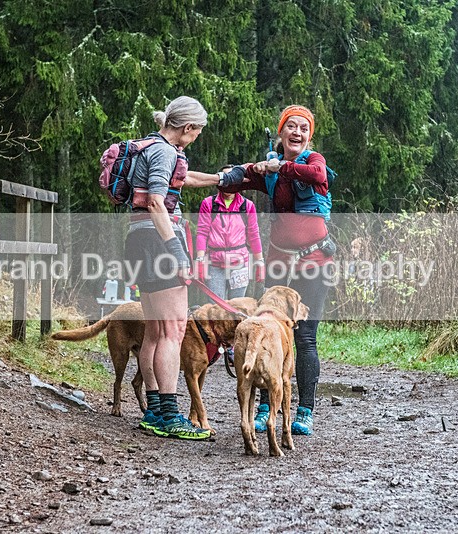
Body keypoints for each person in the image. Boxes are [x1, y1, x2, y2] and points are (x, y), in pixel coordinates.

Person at [188, 104, 334, 436]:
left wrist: (279, 166)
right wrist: (230, 172)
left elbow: (317, 177)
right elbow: (234, 180)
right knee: (267, 331)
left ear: (308, 136)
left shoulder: (313, 161)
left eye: (303, 129)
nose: (297, 133)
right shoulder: (267, 169)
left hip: (315, 262)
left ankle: (305, 411)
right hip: (280, 261)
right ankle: (267, 406)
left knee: (305, 338)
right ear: (281, 133)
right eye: (291, 127)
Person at [122, 96, 247, 440]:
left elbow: (182, 178)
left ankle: (155, 412)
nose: (196, 138)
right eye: (197, 132)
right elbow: (157, 202)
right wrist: (177, 252)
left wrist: (220, 178)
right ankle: (170, 414)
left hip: (140, 240)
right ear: (188, 128)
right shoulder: (163, 151)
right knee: (172, 332)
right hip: (158, 243)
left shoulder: (154, 146)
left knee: (154, 331)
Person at [195, 165, 265, 300]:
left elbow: (254, 234)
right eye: (225, 179)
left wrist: (260, 261)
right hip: (215, 264)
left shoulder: (247, 206)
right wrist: (200, 259)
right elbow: (202, 232)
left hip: (239, 264)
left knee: (237, 306)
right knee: (215, 308)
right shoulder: (209, 204)